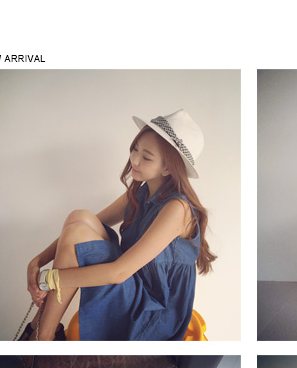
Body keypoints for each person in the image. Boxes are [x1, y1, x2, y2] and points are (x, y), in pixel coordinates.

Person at [27, 112, 212, 343]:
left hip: (153, 314)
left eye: (146, 157)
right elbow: (76, 228)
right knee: (79, 218)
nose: (135, 160)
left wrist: (50, 279)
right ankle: (42, 334)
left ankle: (41, 338)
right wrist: (37, 262)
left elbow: (119, 272)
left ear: (168, 168)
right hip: (132, 289)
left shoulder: (177, 209)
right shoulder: (141, 193)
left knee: (78, 233)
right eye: (135, 149)